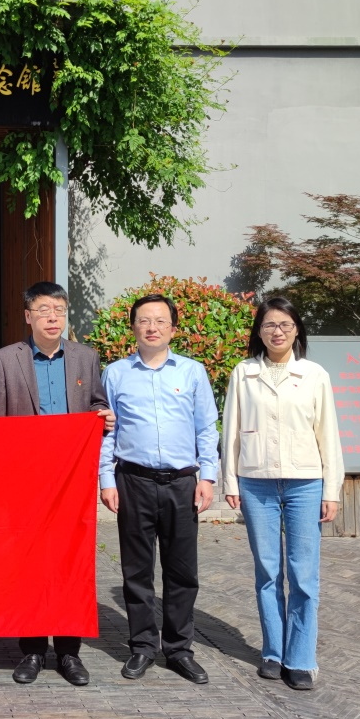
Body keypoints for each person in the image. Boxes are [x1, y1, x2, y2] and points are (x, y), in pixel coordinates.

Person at [0, 281, 112, 687]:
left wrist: (103, 416)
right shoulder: (6, 360)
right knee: (29, 566)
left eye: (59, 309)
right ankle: (33, 650)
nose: (52, 317)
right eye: (43, 310)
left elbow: (96, 402)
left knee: (71, 563)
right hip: (25, 483)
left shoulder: (85, 357)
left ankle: (69, 652)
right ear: (28, 316)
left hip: (72, 481)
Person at [222, 296, 344, 691]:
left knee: (303, 574)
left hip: (305, 483)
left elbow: (329, 436)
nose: (277, 332)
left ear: (297, 330)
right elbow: (231, 430)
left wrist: (331, 489)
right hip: (256, 481)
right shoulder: (244, 373)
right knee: (267, 571)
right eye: (270, 325)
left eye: (285, 325)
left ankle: (301, 658)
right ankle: (273, 652)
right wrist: (230, 481)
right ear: (259, 331)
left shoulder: (314, 375)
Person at [98, 292, 219, 685]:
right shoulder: (116, 373)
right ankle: (143, 647)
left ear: (173, 328)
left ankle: (179, 649)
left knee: (182, 572)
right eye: (144, 320)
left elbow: (206, 428)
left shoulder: (192, 372)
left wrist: (207, 477)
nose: (152, 327)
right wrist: (106, 479)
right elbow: (106, 431)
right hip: (133, 480)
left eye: (160, 320)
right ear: (133, 326)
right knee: (137, 571)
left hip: (181, 483)